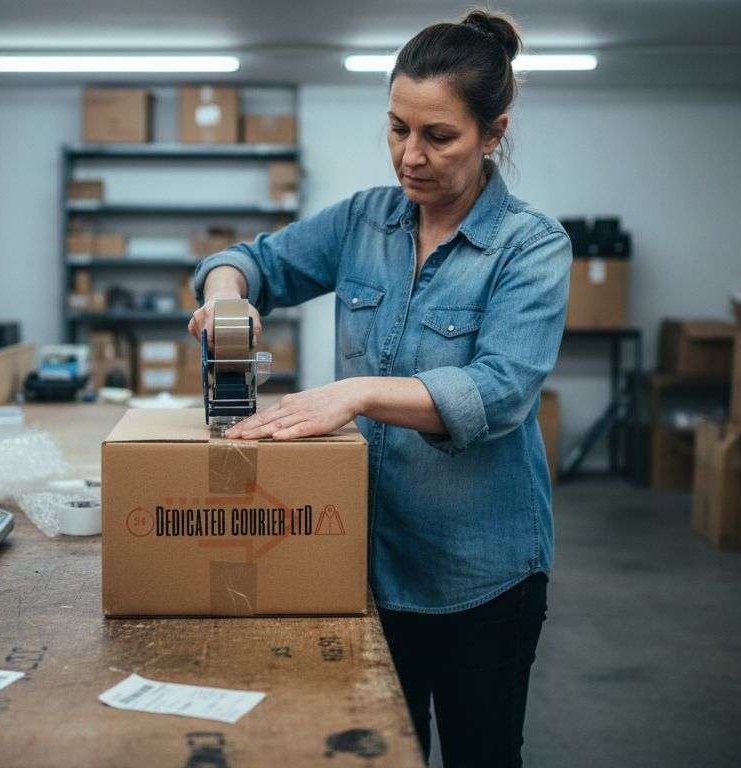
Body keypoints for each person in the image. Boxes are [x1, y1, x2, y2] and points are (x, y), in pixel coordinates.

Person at [188, 9, 569, 767]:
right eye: (397, 129)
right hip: (363, 557)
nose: (410, 156)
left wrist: (357, 394)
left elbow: (499, 391)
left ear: (492, 134)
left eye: (438, 136)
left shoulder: (531, 245)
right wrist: (228, 292)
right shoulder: (366, 220)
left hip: (480, 574)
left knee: (481, 755)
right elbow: (251, 257)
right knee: (374, 752)